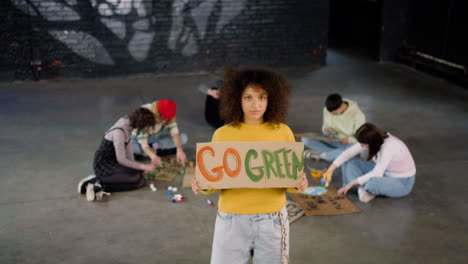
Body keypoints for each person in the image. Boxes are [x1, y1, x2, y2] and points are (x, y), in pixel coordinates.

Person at [192, 68, 308, 264]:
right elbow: (212, 182)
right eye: (248, 97)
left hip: (273, 220)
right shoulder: (223, 134)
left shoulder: (283, 132)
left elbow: (288, 179)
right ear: (236, 98)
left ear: (271, 99)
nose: (256, 104)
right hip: (231, 220)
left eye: (262, 97)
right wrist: (201, 185)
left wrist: (299, 183)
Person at [77, 108, 158, 201]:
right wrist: (143, 166)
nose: (146, 129)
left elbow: (129, 153)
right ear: (141, 123)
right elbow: (122, 160)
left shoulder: (128, 124)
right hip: (104, 165)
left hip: (114, 162)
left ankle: (101, 181)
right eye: (147, 126)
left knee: (141, 179)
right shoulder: (120, 132)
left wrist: (139, 168)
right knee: (136, 180)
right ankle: (96, 184)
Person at [325, 123, 416, 203]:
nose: (361, 146)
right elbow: (347, 154)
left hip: (402, 182)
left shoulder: (389, 147)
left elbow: (377, 173)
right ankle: (362, 190)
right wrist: (331, 169)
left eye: (363, 144)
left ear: (372, 143)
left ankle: (361, 188)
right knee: (350, 162)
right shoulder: (374, 139)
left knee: (373, 184)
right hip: (384, 173)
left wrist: (352, 183)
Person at [302, 93, 365, 162]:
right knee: (305, 139)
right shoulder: (327, 109)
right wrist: (326, 130)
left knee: (357, 146)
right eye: (330, 113)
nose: (332, 114)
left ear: (341, 106)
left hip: (348, 143)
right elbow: (325, 126)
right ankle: (337, 155)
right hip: (333, 139)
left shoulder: (358, 115)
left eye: (334, 113)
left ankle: (323, 155)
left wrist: (349, 140)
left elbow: (361, 138)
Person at [131, 99, 187, 166]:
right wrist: (153, 156)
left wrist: (179, 149)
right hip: (137, 140)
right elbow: (143, 144)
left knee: (183, 138)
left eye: (167, 119)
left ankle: (153, 149)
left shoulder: (168, 114)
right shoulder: (145, 114)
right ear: (158, 113)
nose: (164, 122)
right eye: (163, 118)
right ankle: (153, 150)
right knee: (134, 148)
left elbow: (174, 132)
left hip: (154, 139)